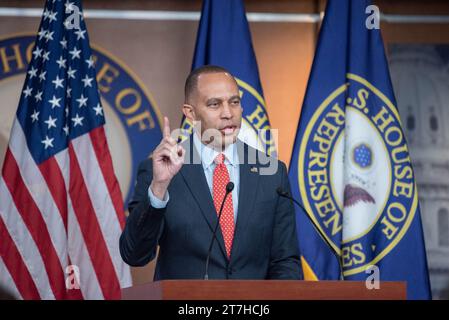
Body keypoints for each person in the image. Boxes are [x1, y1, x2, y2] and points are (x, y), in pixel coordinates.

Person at [119, 65, 302, 280]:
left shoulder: (272, 173)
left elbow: (285, 261)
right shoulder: (160, 171)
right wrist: (159, 187)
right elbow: (134, 255)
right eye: (214, 104)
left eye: (234, 102)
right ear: (190, 113)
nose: (228, 113)